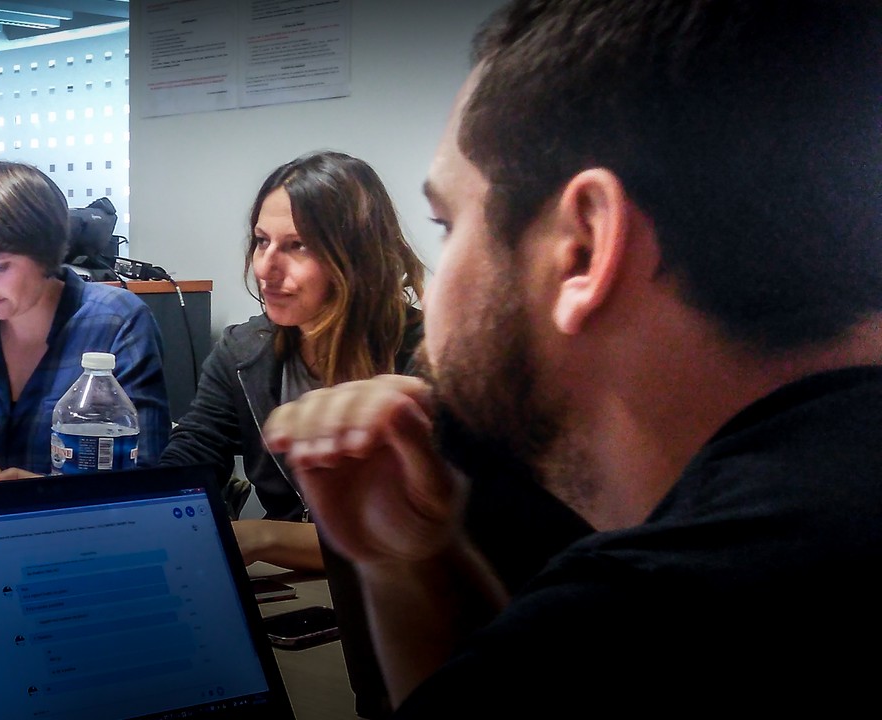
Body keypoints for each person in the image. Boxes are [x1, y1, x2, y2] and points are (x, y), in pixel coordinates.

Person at [265, 0, 882, 711]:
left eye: (446, 223)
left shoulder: (636, 630)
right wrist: (410, 560)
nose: (428, 294)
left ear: (582, 247)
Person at [157, 151, 427, 572]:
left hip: (400, 598)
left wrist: (266, 534)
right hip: (302, 587)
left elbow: (422, 536)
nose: (265, 267)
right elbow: (190, 462)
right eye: (262, 241)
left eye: (297, 245)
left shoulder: (425, 358)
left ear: (357, 256)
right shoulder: (244, 352)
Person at [0, 161, 170, 481]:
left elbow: (147, 476)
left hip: (80, 527)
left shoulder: (117, 323)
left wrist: (42, 492)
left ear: (46, 254)